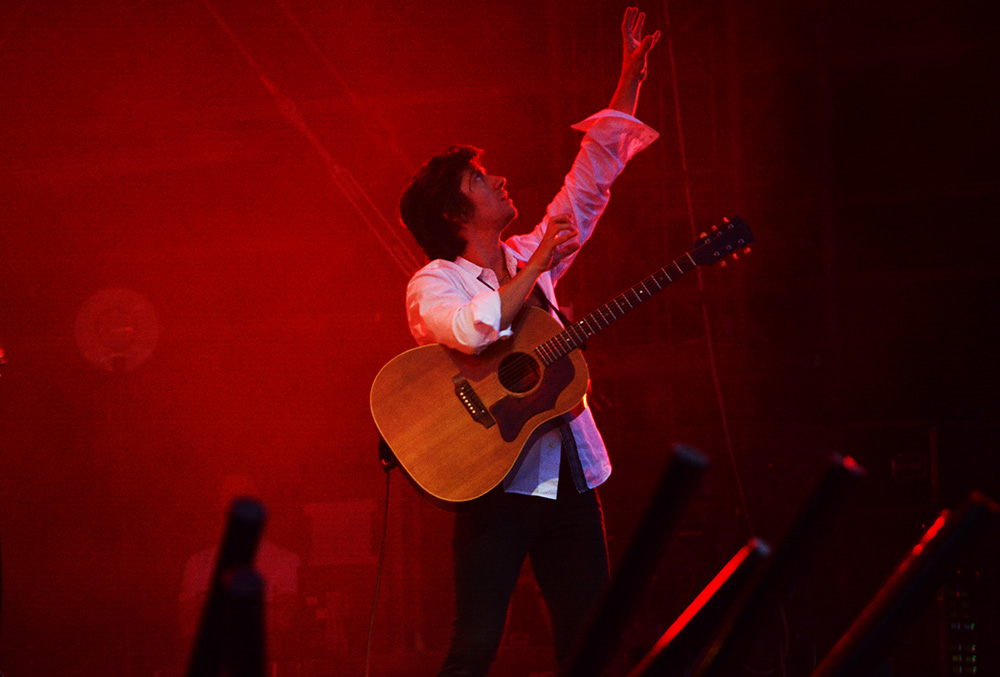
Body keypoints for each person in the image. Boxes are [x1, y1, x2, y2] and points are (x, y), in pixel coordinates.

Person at [398, 7, 660, 675]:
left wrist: (629, 79)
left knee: (590, 641)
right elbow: (469, 329)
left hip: (571, 473)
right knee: (476, 645)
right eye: (481, 180)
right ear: (455, 213)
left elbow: (591, 179)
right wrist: (539, 261)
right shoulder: (435, 282)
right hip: (491, 481)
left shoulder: (526, 258)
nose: (500, 180)